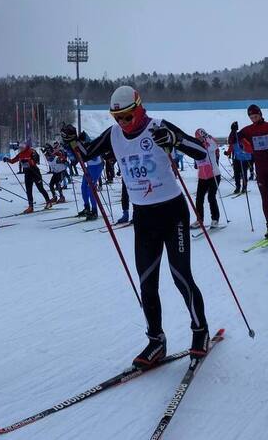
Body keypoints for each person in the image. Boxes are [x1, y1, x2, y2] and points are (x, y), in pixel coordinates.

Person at [61, 85, 211, 367]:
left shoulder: (158, 127)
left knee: (180, 276)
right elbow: (86, 153)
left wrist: (174, 140)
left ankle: (200, 331)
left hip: (172, 211)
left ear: (139, 108)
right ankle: (156, 341)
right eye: (117, 117)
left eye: (128, 116)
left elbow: (201, 152)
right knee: (147, 281)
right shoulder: (114, 135)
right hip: (143, 216)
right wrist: (72, 140)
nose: (123, 122)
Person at [238, 105, 268, 239]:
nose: (254, 119)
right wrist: (233, 131)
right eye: (251, 117)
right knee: (265, 199)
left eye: (256, 116)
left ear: (260, 114)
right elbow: (234, 139)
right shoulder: (248, 130)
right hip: (260, 168)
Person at [3, 140, 53, 213]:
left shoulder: (31, 151)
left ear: (25, 146)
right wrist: (7, 160)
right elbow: (13, 161)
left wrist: (28, 161)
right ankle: (30, 206)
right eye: (20, 147)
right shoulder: (20, 154)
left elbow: (36, 161)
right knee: (28, 191)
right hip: (27, 173)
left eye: (22, 147)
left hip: (35, 172)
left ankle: (48, 202)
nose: (21, 149)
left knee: (40, 188)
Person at [192, 128, 221, 228]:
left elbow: (215, 144)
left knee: (211, 197)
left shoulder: (210, 145)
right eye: (197, 137)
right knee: (199, 199)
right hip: (202, 177)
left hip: (214, 175)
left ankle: (215, 219)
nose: (199, 139)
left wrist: (207, 136)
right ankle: (199, 220)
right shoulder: (197, 147)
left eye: (200, 137)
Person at [77, 131, 104, 221]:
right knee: (83, 187)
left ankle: (94, 211)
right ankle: (87, 208)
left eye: (81, 142)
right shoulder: (82, 143)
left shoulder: (90, 144)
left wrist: (82, 152)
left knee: (90, 188)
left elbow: (93, 157)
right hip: (90, 167)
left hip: (96, 167)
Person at [225, 121, 252, 194]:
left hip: (244, 158)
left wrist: (243, 148)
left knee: (243, 173)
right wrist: (227, 153)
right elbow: (231, 146)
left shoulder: (242, 139)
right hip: (236, 158)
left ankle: (244, 187)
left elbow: (250, 148)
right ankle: (237, 187)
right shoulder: (233, 137)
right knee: (236, 173)